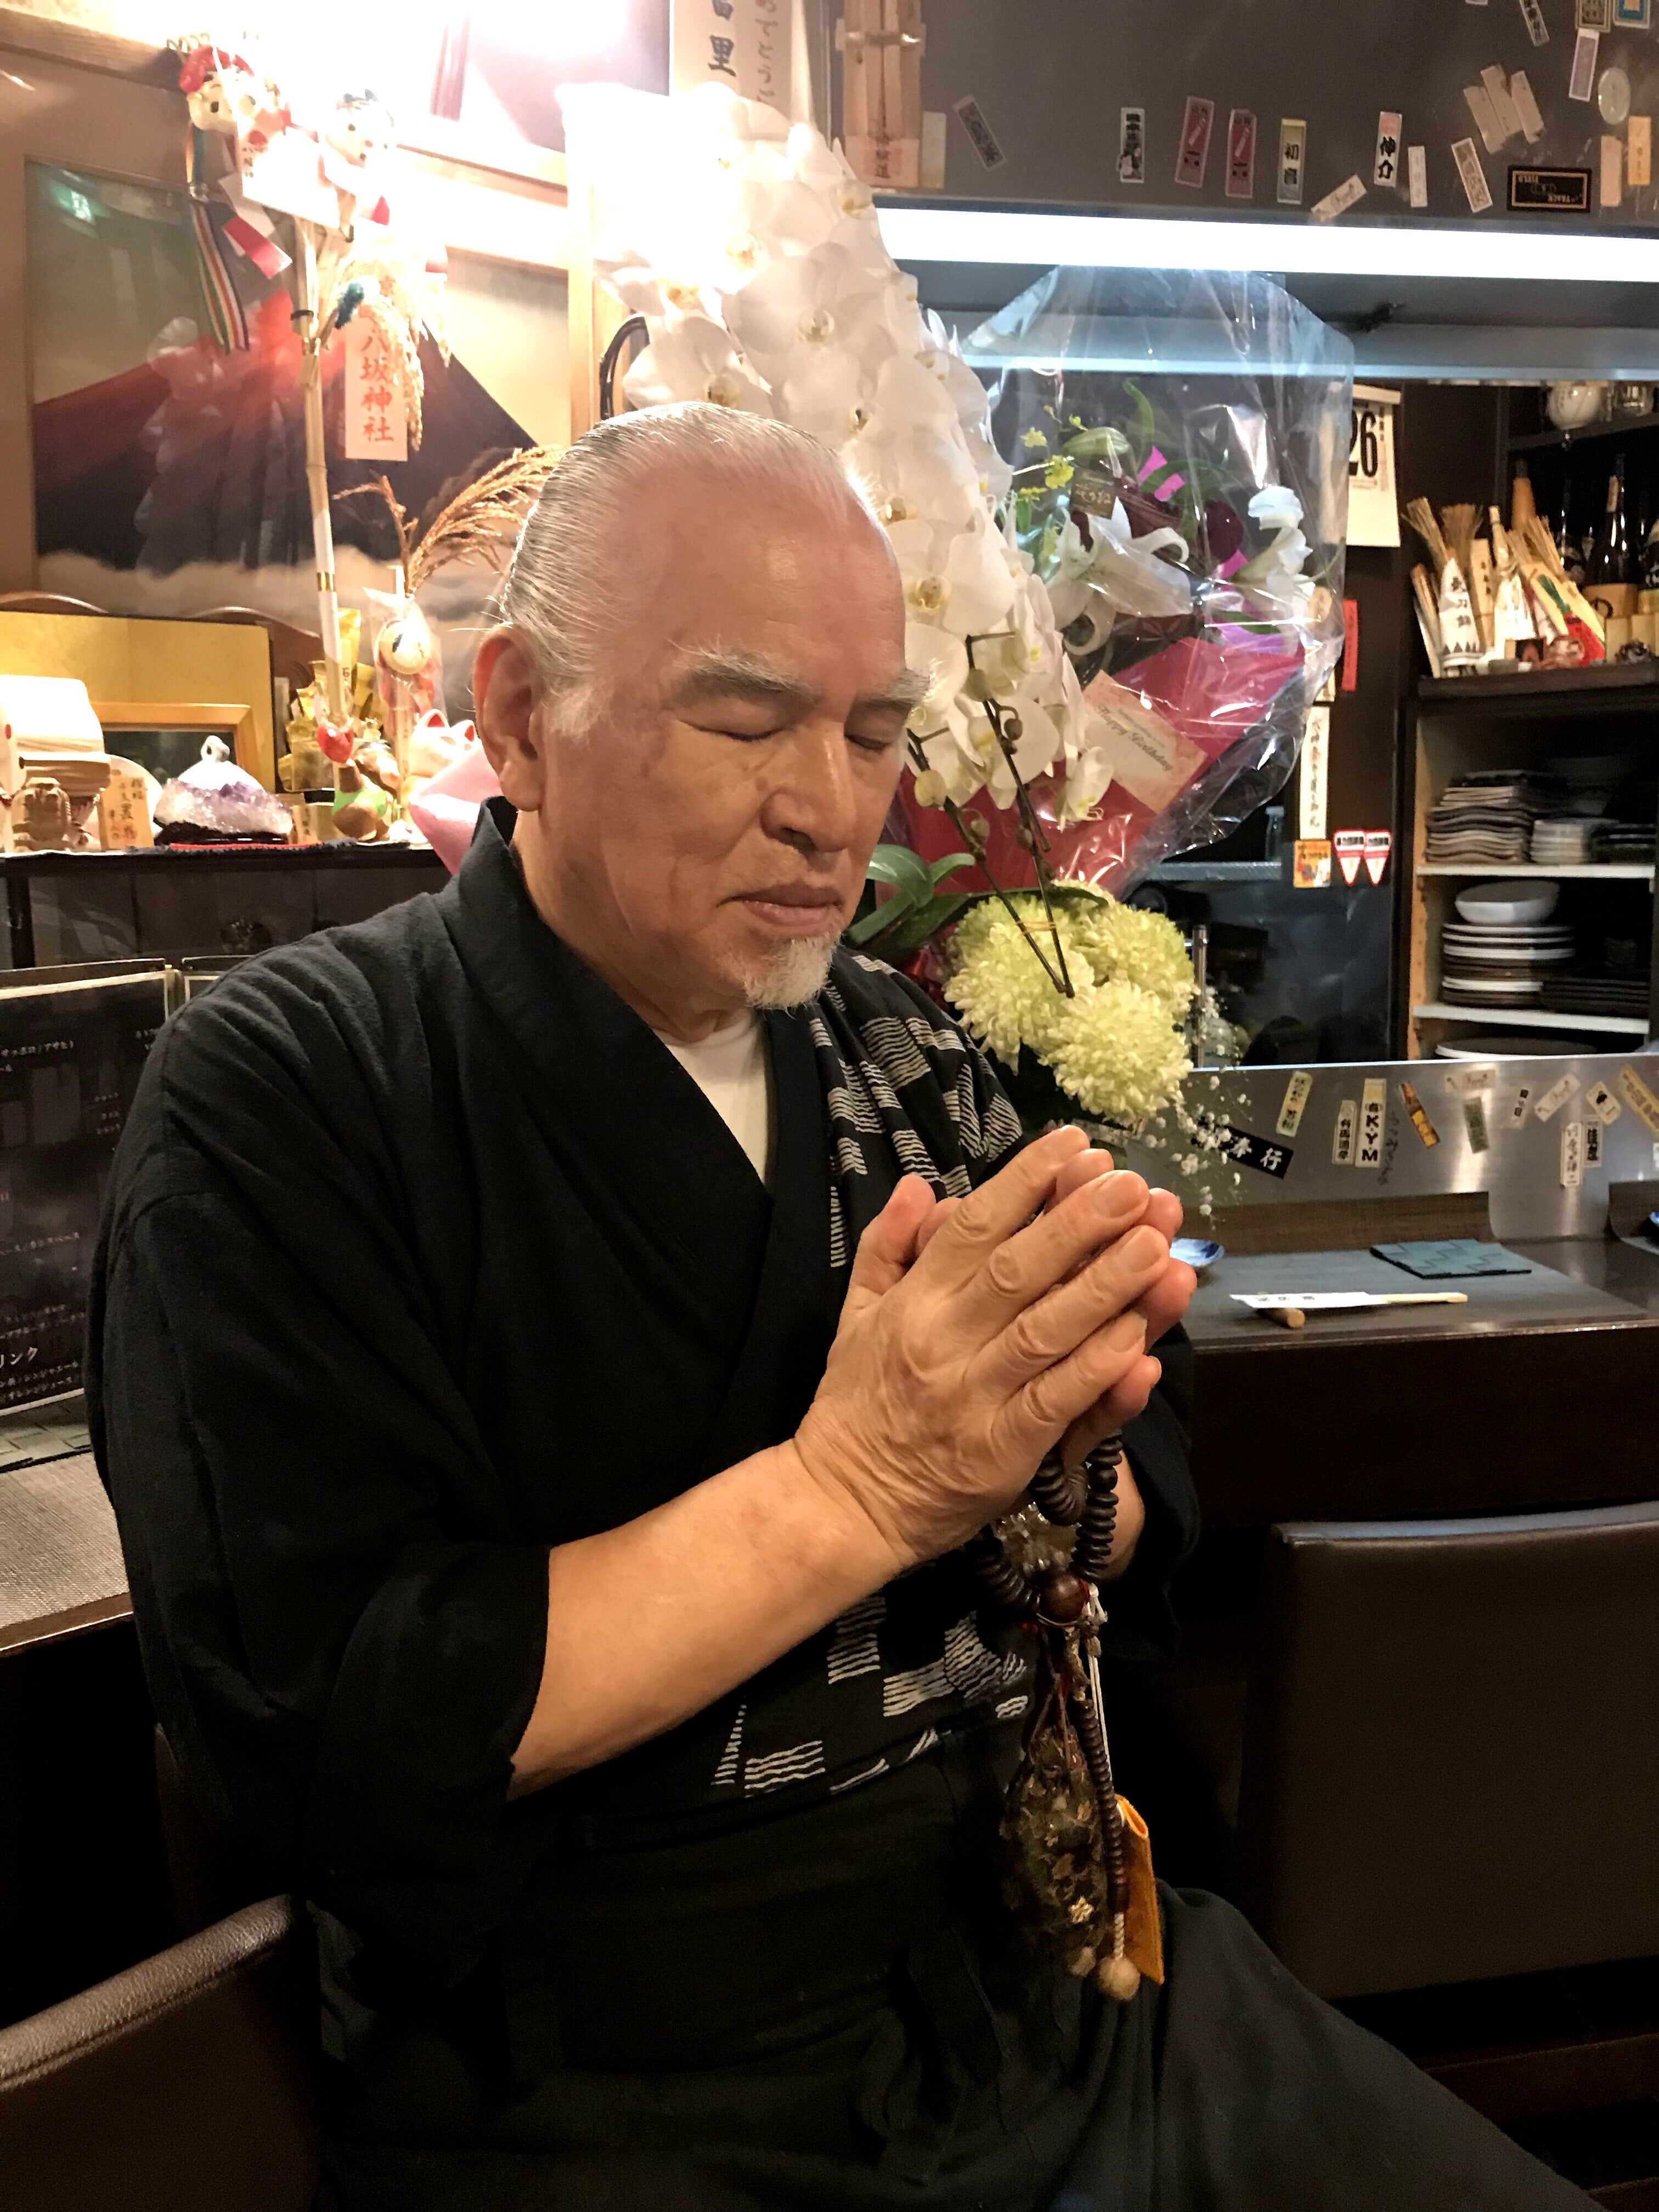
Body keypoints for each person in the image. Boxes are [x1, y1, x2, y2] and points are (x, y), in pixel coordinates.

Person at [90, 405, 1591, 2211]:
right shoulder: (296, 1094)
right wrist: (866, 1487)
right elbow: (330, 1720)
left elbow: (1152, 1453)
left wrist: (1064, 1459)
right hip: (615, 2092)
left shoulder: (902, 1051)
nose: (829, 807)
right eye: (746, 722)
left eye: (876, 731)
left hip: (1053, 1984)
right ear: (521, 718)